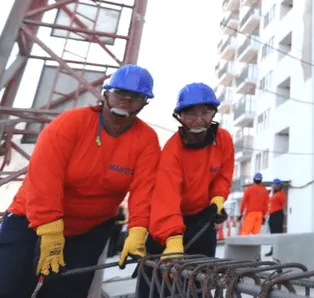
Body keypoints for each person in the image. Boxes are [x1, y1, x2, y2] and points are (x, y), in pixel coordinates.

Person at [0, 64, 160, 298]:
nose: (125, 100)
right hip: (32, 218)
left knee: (68, 292)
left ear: (144, 103)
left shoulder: (146, 140)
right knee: (9, 284)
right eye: (119, 93)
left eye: (135, 96)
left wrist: (136, 231)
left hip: (89, 228)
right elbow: (44, 177)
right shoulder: (70, 123)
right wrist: (51, 230)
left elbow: (145, 189)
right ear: (106, 94)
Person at [138, 82, 234, 298]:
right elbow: (166, 196)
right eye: (191, 114)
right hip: (168, 222)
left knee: (198, 282)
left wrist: (218, 197)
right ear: (179, 116)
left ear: (214, 113)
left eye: (205, 112)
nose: (199, 120)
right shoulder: (172, 151)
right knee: (156, 284)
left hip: (202, 219)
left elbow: (223, 174)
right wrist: (172, 238)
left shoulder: (224, 140)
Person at [265, 178, 287, 256]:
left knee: (277, 233)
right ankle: (273, 249)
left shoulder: (281, 194)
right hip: (272, 215)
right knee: (272, 233)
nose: (272, 186)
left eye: (274, 185)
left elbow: (282, 203)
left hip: (278, 214)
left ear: (278, 185)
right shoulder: (273, 194)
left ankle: (279, 249)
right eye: (272, 185)